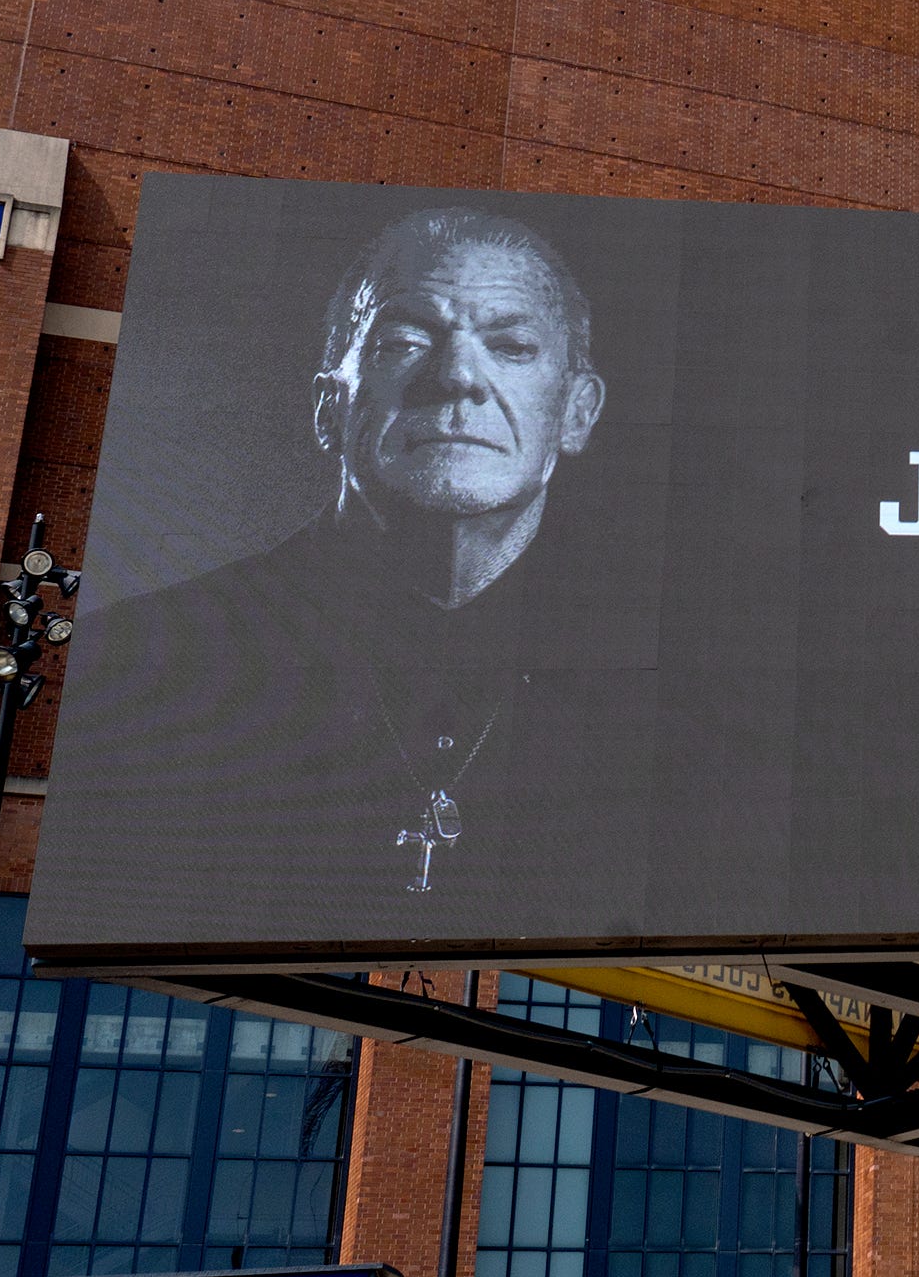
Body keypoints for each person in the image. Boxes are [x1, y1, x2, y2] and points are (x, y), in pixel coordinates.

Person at [56, 204, 652, 944]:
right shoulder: (134, 663)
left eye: (512, 346)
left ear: (577, 410)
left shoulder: (685, 704)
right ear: (329, 407)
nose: (458, 377)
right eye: (404, 341)